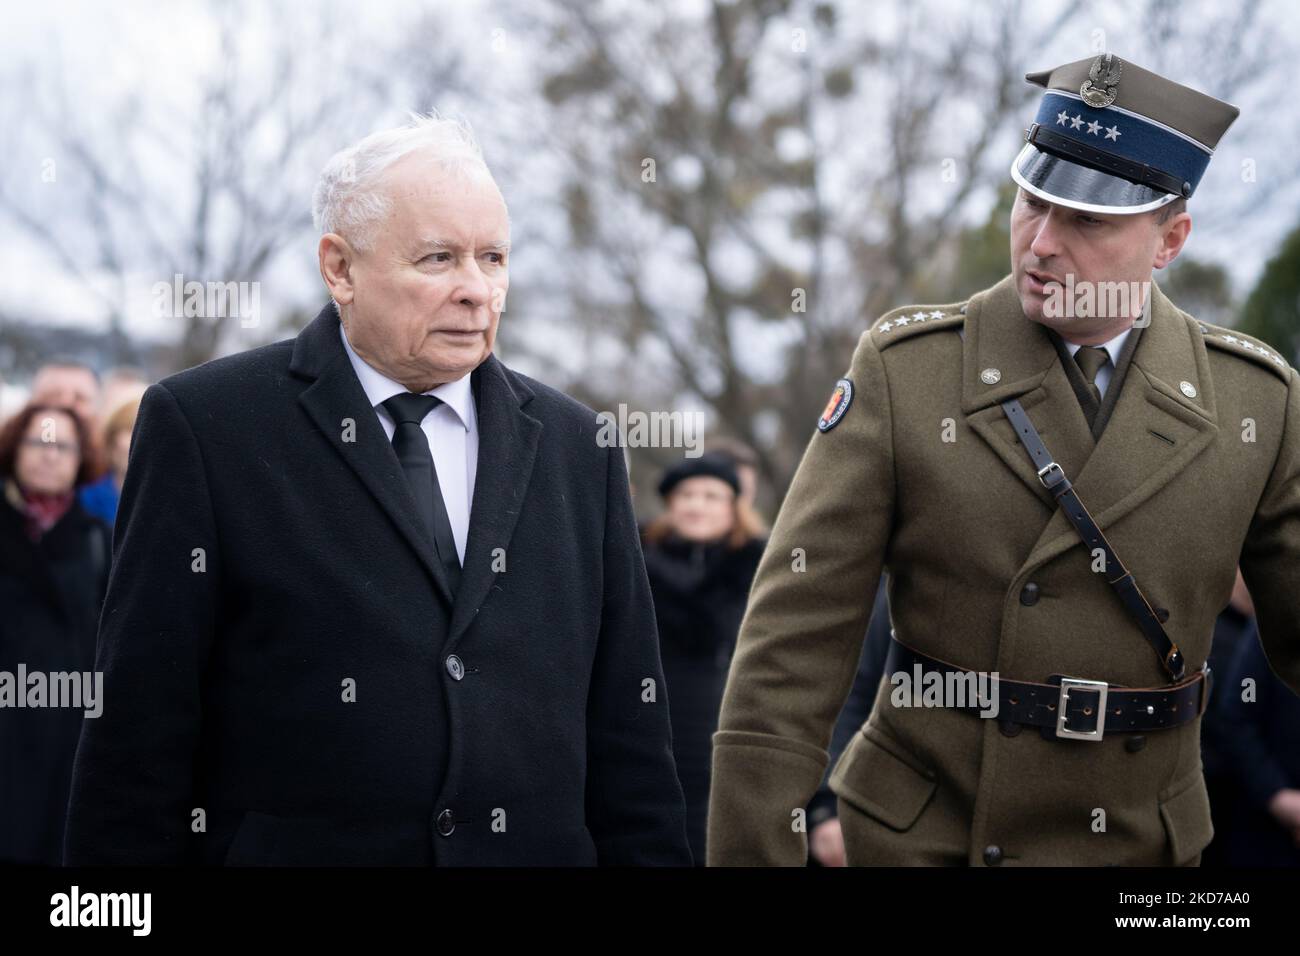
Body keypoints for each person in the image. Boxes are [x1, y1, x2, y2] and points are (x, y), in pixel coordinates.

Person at [708, 54, 1300, 866]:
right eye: (1033, 202)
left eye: (1088, 221)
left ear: (1171, 239)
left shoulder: (1255, 403)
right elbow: (789, 654)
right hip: (932, 837)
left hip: (1142, 852)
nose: (1042, 243)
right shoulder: (908, 371)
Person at [64, 113, 691, 866]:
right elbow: (138, 734)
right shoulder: (207, 427)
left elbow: (631, 738)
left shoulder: (578, 446)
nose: (476, 291)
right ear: (340, 268)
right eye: (437, 258)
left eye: (493, 258)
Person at [0, 403, 112, 864]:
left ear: (80, 457)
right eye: (37, 442)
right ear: (14, 449)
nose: (49, 456)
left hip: (66, 734)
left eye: (62, 445)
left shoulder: (98, 539)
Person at [641, 453, 765, 865]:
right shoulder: (636, 550)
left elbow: (714, 619)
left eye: (712, 496)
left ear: (734, 506)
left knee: (708, 813)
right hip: (647, 702)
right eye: (687, 494)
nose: (697, 505)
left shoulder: (754, 560)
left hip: (722, 706)